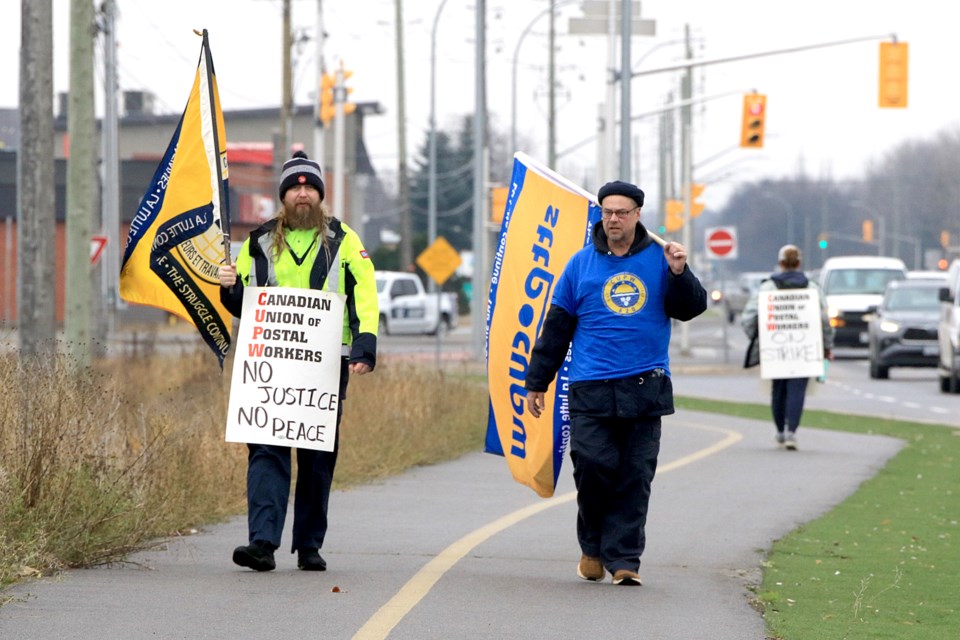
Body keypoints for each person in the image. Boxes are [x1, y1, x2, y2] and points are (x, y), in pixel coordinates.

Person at [524, 180, 707, 586]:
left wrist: (680, 272)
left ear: (638, 215)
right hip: (591, 387)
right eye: (607, 212)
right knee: (592, 468)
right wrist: (537, 381)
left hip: (646, 387)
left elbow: (690, 308)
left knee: (635, 476)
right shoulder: (580, 265)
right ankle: (592, 546)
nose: (613, 219)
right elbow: (556, 329)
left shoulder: (661, 260)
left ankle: (625, 561)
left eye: (622, 212)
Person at [218, 150, 378, 572]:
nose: (302, 193)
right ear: (284, 196)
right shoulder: (257, 242)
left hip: (325, 365)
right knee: (266, 451)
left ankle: (308, 545)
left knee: (316, 455)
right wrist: (228, 289)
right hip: (269, 365)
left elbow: (364, 291)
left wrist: (364, 343)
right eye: (294, 187)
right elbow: (243, 302)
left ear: (320, 195)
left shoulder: (345, 241)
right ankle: (262, 544)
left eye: (309, 186)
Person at [741, 244, 833, 451]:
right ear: (799, 263)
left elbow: (747, 318)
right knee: (797, 388)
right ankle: (792, 431)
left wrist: (758, 338)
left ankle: (780, 431)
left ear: (781, 263)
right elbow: (825, 320)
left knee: (778, 388)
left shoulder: (767, 288)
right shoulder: (813, 287)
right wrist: (827, 345)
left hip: (775, 346)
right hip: (804, 346)